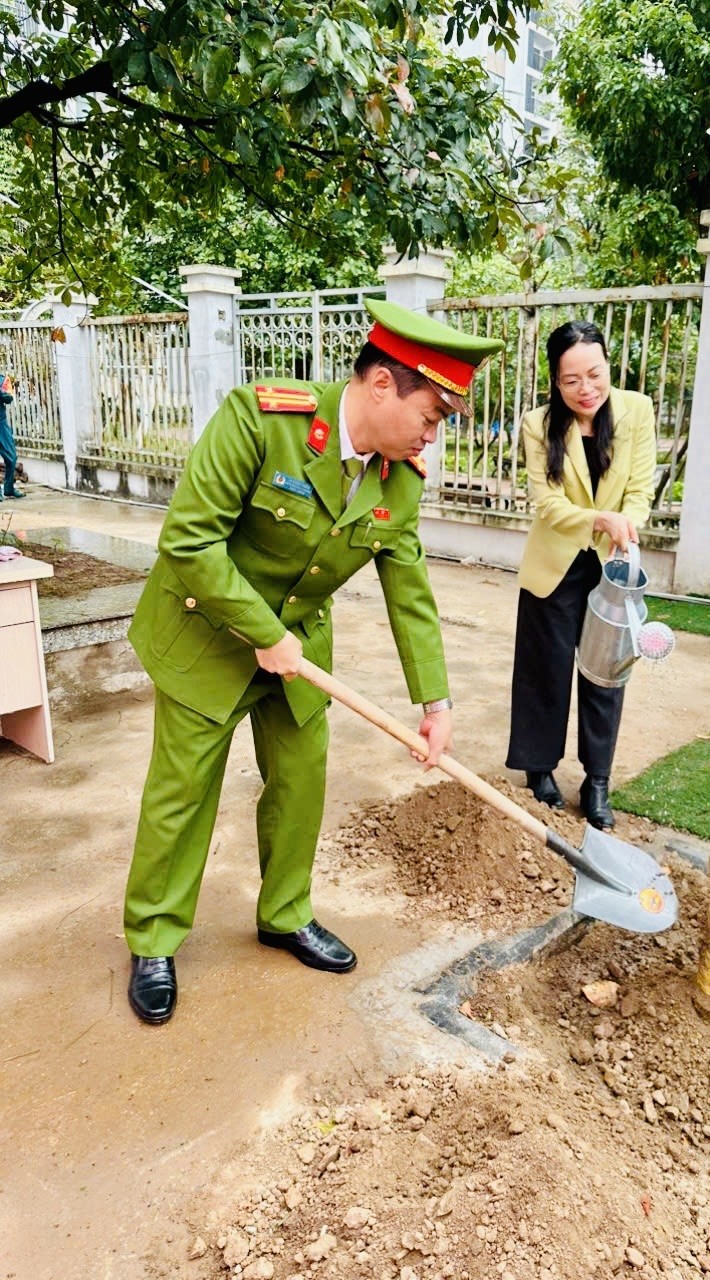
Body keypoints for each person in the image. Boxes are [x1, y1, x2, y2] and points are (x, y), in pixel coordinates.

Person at [123, 298, 504, 1025]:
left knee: (300, 783)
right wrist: (261, 631)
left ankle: (285, 913)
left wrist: (437, 704)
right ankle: (154, 937)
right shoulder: (263, 420)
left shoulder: (399, 481)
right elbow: (190, 540)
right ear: (384, 384)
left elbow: (410, 592)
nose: (434, 434)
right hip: (207, 632)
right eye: (432, 415)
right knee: (184, 791)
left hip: (297, 649)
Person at [506, 320, 656, 830]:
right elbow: (546, 503)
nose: (586, 389)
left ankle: (597, 781)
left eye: (595, 375)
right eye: (571, 380)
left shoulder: (637, 410)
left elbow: (640, 489)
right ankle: (539, 768)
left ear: (609, 366)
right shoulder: (538, 423)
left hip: (612, 563)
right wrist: (597, 519)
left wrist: (625, 524)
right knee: (544, 669)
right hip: (556, 563)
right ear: (555, 380)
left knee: (605, 673)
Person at [0, 374, 25, 500]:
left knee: (11, 457)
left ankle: (9, 488)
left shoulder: (3, 379)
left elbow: (9, 398)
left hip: (1, 424)